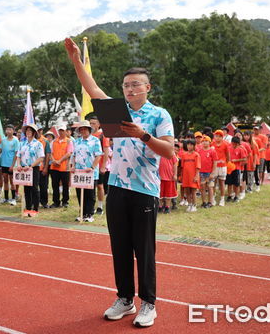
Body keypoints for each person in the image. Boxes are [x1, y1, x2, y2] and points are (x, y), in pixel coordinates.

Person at [65, 37, 174, 328]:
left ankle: (148, 303)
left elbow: (170, 151)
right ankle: (125, 299)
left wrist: (142, 135)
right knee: (120, 248)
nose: (130, 89)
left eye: (136, 84)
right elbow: (91, 88)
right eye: (126, 85)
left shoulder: (159, 115)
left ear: (147, 87)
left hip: (145, 191)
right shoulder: (115, 110)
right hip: (117, 188)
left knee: (144, 250)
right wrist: (76, 59)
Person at [70, 120, 103, 222]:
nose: (83, 131)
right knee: (80, 193)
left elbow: (98, 155)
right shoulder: (77, 141)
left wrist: (92, 167)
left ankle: (89, 214)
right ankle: (82, 213)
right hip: (79, 172)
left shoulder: (95, 140)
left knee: (90, 194)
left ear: (89, 130)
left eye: (85, 129)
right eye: (81, 129)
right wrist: (73, 166)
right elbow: (74, 155)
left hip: (90, 172)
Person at [12, 123, 44, 217]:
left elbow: (41, 157)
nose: (28, 132)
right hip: (23, 169)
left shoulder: (38, 144)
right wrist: (18, 165)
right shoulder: (22, 143)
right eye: (27, 130)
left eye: (30, 130)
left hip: (33, 168)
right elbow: (18, 155)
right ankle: (28, 208)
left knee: (34, 188)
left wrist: (30, 166)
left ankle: (35, 209)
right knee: (27, 189)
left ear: (34, 132)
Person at [90, 116, 111, 215]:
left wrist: (103, 166)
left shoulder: (103, 135)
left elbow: (106, 151)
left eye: (94, 123)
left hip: (100, 165)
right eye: (90, 123)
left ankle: (100, 206)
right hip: (90, 165)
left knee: (100, 186)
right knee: (90, 186)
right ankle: (90, 207)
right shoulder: (88, 135)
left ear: (99, 124)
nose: (92, 125)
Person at [48, 126, 73, 208]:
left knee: (65, 185)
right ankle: (56, 202)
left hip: (64, 167)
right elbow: (50, 153)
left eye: (63, 131)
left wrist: (59, 161)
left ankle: (65, 201)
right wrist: (54, 160)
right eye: (60, 131)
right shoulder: (54, 141)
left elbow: (69, 153)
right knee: (55, 185)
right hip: (54, 167)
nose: (61, 132)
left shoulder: (69, 141)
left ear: (66, 131)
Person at [0, 124, 20, 205]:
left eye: (10, 130)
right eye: (7, 129)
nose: (8, 131)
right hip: (4, 163)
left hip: (12, 164)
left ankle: (13, 198)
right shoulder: (3, 140)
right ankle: (6, 198)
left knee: (12, 181)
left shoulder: (16, 140)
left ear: (13, 131)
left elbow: (16, 154)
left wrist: (12, 165)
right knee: (5, 180)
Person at [179, 139, 200, 212]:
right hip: (186, 176)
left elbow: (198, 167)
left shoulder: (196, 155)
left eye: (191, 145)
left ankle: (194, 205)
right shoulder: (184, 155)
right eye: (188, 144)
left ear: (194, 146)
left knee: (193, 191)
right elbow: (182, 167)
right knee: (187, 191)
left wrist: (196, 176)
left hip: (193, 176)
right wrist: (181, 176)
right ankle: (189, 205)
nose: (189, 146)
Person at [211, 130, 230, 206]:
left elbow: (228, 155)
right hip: (214, 166)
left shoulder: (225, 144)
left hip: (222, 166)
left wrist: (226, 162)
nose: (217, 138)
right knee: (213, 182)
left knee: (222, 183)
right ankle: (213, 197)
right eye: (216, 136)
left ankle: (222, 199)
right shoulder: (212, 144)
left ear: (222, 137)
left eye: (219, 136)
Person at [197, 136, 217, 208]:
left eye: (206, 141)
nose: (204, 142)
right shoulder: (199, 151)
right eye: (203, 141)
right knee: (202, 187)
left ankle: (210, 202)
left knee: (210, 187)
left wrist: (213, 172)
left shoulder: (212, 151)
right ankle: (204, 202)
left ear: (209, 142)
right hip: (201, 172)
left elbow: (215, 162)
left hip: (209, 172)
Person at [226, 136, 246, 202]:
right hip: (229, 168)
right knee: (229, 183)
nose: (234, 145)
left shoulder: (241, 149)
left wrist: (237, 160)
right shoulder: (229, 148)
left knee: (236, 183)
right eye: (233, 143)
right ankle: (229, 196)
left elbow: (244, 158)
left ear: (238, 143)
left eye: (235, 144)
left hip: (237, 168)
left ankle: (236, 196)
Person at [158, 146, 178, 213]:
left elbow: (175, 164)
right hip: (160, 177)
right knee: (160, 194)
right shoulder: (158, 153)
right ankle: (160, 207)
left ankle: (167, 207)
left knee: (168, 194)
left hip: (169, 177)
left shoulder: (172, 154)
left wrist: (175, 174)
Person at [36, 127, 51, 209]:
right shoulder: (32, 140)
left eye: (40, 130)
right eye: (37, 130)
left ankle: (44, 202)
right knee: (34, 186)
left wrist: (46, 167)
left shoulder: (45, 141)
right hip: (34, 167)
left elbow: (48, 155)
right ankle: (34, 201)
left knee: (44, 186)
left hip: (42, 167)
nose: (38, 132)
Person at [253, 126, 268, 190]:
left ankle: (260, 181)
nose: (256, 131)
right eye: (255, 129)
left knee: (260, 170)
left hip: (261, 156)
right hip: (253, 156)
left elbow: (264, 147)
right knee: (254, 169)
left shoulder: (263, 137)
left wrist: (256, 151)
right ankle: (255, 180)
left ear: (260, 130)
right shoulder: (252, 136)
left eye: (257, 129)